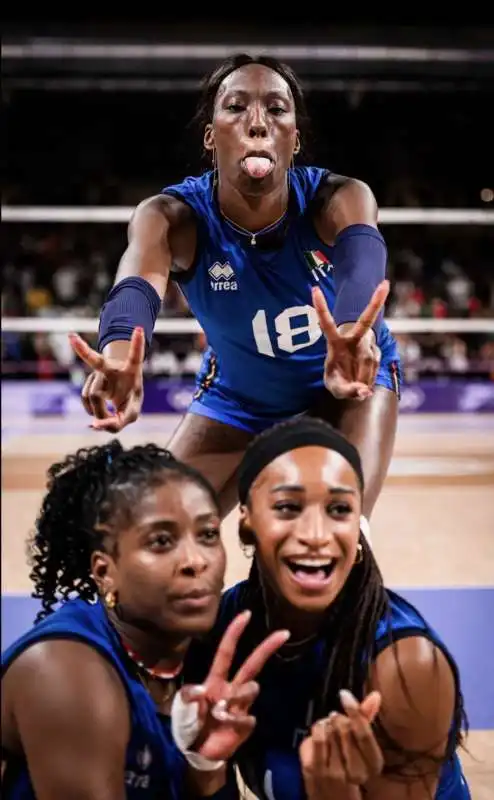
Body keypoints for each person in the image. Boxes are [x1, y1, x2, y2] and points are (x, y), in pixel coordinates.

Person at [70, 52, 400, 521]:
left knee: (339, 533)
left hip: (344, 386)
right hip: (239, 396)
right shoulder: (170, 216)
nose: (258, 122)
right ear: (211, 137)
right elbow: (137, 281)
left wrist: (353, 328)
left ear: (294, 139)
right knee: (153, 523)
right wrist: (120, 353)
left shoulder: (339, 198)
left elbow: (363, 259)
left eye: (277, 109)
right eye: (237, 106)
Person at [176, 418, 470, 799]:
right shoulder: (223, 629)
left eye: (339, 509)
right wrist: (205, 765)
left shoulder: (405, 666)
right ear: (246, 522)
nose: (315, 535)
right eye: (287, 507)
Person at [1, 441, 289, 799]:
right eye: (161, 541)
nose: (195, 560)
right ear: (105, 572)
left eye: (208, 535)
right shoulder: (65, 672)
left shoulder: (191, 661)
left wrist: (206, 766)